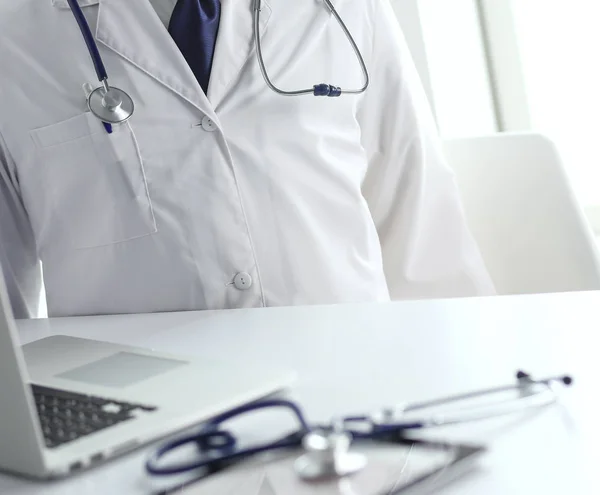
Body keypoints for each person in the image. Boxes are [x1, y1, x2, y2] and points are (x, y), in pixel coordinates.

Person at [0, 0, 495, 319]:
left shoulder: (345, 9)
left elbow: (419, 215)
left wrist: (470, 389)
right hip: (141, 427)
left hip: (353, 386)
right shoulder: (15, 33)